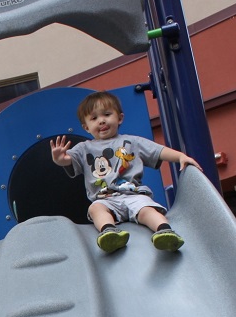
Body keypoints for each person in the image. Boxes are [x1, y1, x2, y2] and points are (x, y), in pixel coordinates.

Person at [50, 90, 202, 254]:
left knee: (146, 210)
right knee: (95, 209)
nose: (101, 121)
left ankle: (164, 231)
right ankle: (109, 232)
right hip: (105, 199)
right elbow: (68, 160)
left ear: (119, 118)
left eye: (107, 114)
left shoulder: (131, 142)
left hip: (134, 195)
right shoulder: (83, 149)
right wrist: (59, 159)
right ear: (86, 127)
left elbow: (158, 151)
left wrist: (180, 156)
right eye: (94, 118)